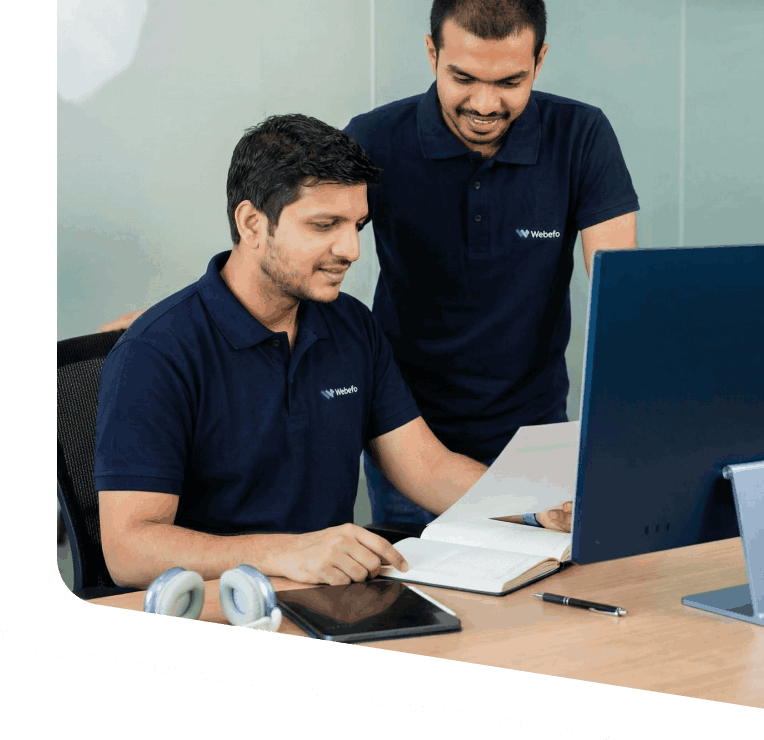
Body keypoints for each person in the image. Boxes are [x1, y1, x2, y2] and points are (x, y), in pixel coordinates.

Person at [97, 0, 638, 533]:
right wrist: (181, 320)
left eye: (509, 82)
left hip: (526, 424)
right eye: (464, 78)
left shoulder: (580, 136)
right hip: (408, 413)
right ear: (432, 54)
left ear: (540, 62)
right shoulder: (379, 139)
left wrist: (617, 443)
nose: (485, 103)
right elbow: (294, 225)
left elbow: (617, 292)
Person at [94, 114, 572, 591]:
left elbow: (427, 467)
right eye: (325, 225)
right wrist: (282, 553)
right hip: (223, 604)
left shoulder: (351, 325)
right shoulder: (155, 353)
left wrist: (536, 506)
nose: (351, 249)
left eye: (357, 225)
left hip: (333, 600)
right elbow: (128, 551)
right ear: (252, 223)